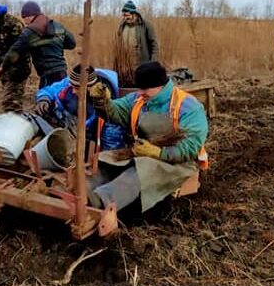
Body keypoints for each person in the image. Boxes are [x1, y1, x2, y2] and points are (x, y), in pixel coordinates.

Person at [87, 61, 209, 212]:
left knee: (142, 170)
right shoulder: (138, 100)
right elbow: (117, 112)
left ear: (161, 85)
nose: (140, 92)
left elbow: (191, 146)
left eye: (145, 88)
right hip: (141, 153)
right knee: (106, 160)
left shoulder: (188, 107)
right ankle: (84, 189)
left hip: (177, 162)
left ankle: (101, 200)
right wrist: (103, 102)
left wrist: (158, 153)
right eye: (139, 88)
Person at [35, 64, 127, 151]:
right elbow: (51, 89)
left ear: (89, 88)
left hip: (88, 141)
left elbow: (111, 141)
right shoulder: (74, 81)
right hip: (64, 126)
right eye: (72, 87)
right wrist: (44, 98)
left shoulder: (108, 109)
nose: (73, 91)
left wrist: (103, 160)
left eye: (77, 88)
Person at [1, 1, 76, 89]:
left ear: (29, 16)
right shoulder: (57, 26)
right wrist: (55, 44)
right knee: (62, 97)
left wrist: (3, 66)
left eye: (24, 17)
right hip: (62, 73)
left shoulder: (29, 32)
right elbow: (72, 44)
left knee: (44, 99)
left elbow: (14, 52)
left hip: (46, 75)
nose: (24, 22)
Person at [113, 0, 158, 87]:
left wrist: (152, 64)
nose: (125, 18)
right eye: (124, 15)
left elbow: (154, 45)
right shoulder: (122, 27)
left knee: (142, 88)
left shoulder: (146, 25)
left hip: (141, 65)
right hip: (126, 68)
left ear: (134, 14)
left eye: (127, 15)